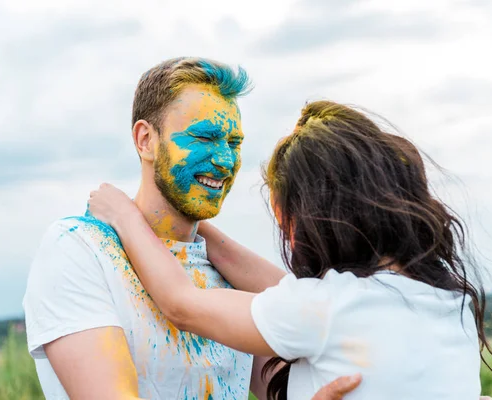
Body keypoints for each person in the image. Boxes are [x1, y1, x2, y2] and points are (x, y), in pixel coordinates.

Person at [88, 100, 492, 400]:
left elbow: (182, 303)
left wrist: (125, 215)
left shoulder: (323, 310)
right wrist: (190, 224)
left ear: (319, 215)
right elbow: (283, 290)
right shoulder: (448, 300)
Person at [23, 58, 354, 400]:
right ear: (145, 140)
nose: (225, 160)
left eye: (234, 143)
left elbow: (302, 359)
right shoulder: (80, 249)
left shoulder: (226, 271)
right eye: (205, 136)